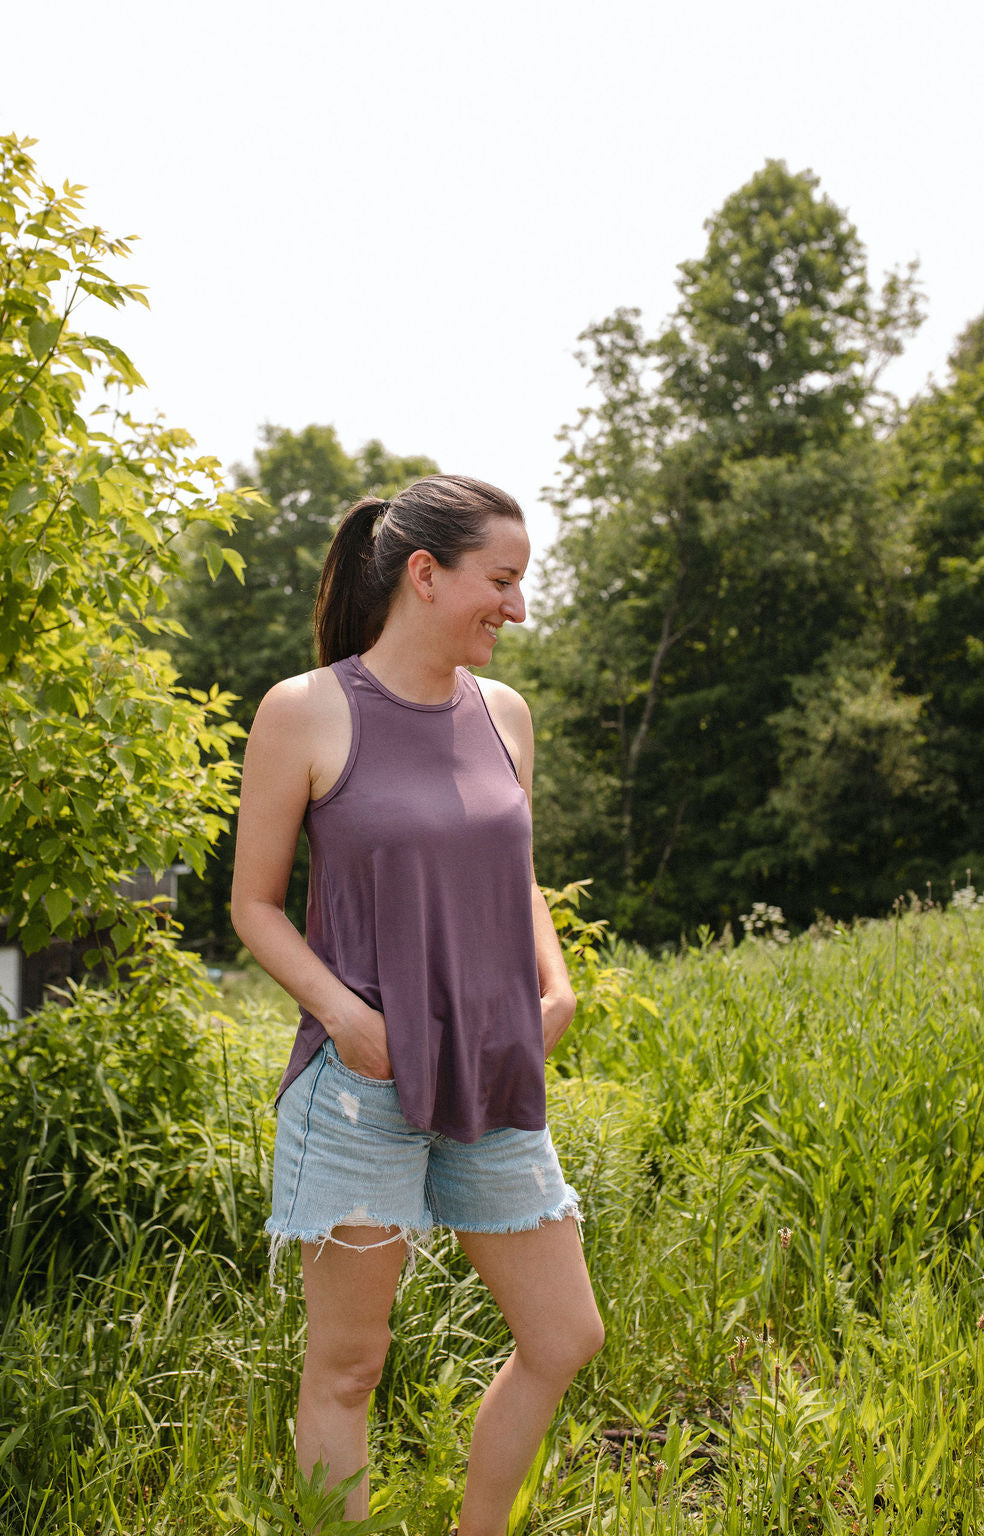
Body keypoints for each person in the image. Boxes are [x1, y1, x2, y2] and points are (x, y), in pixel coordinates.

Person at [230, 474, 604, 1536]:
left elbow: (514, 867)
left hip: (494, 1073)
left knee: (564, 1336)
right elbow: (253, 907)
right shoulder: (305, 711)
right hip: (358, 1088)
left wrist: (557, 982)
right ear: (424, 575)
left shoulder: (505, 715)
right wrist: (347, 1019)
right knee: (348, 1368)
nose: (519, 608)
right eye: (503, 580)